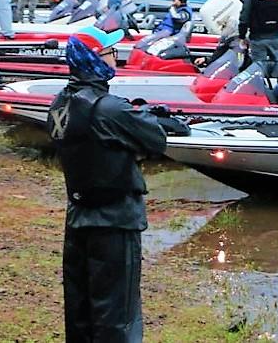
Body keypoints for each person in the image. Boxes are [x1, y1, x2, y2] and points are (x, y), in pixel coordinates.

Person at [47, 25, 188, 341]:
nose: (115, 57)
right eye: (110, 52)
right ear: (95, 60)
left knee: (81, 311)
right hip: (115, 221)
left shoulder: (59, 104)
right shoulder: (109, 108)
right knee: (118, 314)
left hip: (78, 216)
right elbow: (156, 139)